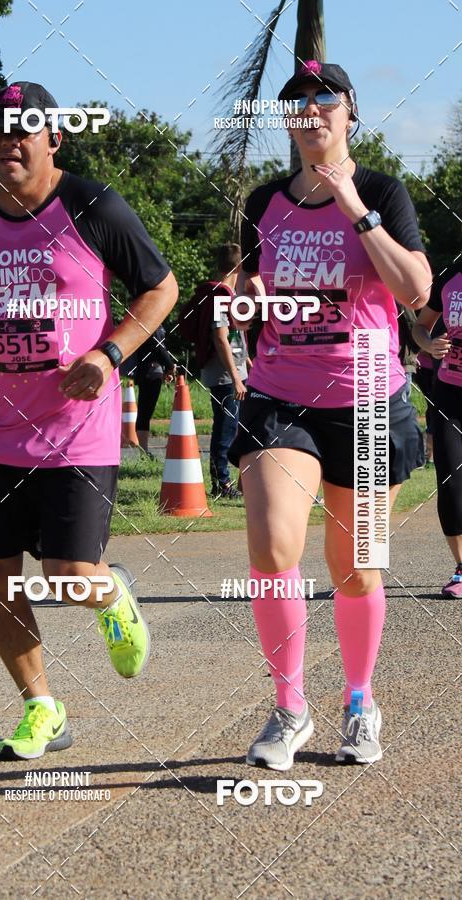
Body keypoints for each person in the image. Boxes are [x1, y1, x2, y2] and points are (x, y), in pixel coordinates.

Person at [0, 81, 178, 760]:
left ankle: (111, 594)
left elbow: (161, 286)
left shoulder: (94, 206)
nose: (9, 141)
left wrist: (110, 352)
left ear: (54, 139)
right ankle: (42, 709)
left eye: (23, 129)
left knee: (65, 573)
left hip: (77, 428)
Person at [229, 61, 431, 769]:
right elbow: (252, 284)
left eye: (325, 97)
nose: (311, 109)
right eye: (297, 101)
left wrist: (355, 208)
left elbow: (415, 290)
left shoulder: (382, 191)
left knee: (355, 570)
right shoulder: (264, 201)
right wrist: (246, 297)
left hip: (369, 398)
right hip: (281, 396)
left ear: (349, 111)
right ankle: (289, 708)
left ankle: (359, 701)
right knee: (271, 547)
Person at [412, 261, 462, 597]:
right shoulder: (449, 276)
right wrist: (429, 345)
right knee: (451, 480)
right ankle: (461, 567)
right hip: (450, 393)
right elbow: (420, 326)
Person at [199, 243, 251, 498]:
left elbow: (233, 336)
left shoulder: (228, 294)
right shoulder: (220, 296)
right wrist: (235, 377)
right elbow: (220, 338)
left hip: (235, 371)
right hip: (225, 375)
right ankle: (221, 484)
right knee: (225, 428)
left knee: (233, 426)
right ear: (239, 267)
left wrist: (247, 361)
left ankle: (227, 481)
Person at [130, 325, 175, 454]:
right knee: (145, 411)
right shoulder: (153, 324)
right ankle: (143, 450)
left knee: (145, 411)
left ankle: (143, 450)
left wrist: (166, 368)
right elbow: (159, 347)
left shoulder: (149, 324)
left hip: (148, 370)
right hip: (151, 371)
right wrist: (170, 366)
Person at [413, 315, 445, 465]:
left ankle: (429, 453)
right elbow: (417, 330)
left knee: (435, 410)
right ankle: (429, 454)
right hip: (426, 366)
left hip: (443, 368)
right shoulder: (432, 307)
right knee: (435, 410)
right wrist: (429, 346)